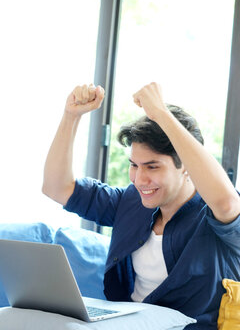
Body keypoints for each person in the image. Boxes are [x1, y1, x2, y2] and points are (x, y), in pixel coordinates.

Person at [42, 82, 240, 329]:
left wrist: (161, 113)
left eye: (152, 166)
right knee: (11, 316)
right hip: (123, 324)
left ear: (186, 166)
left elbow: (227, 201)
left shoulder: (214, 215)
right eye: (134, 165)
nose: (139, 179)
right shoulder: (131, 201)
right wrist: (71, 116)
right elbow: (56, 188)